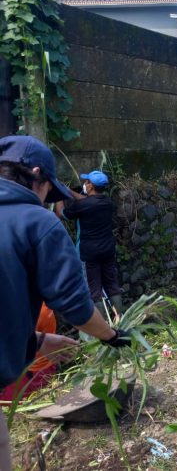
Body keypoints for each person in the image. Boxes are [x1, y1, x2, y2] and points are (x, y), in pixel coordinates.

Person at [0, 135, 130, 469]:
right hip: (105, 254)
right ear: (37, 176)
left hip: (90, 255)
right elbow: (74, 306)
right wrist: (111, 336)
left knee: (98, 288)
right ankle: (119, 317)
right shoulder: (37, 221)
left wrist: (39, 340)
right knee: (105, 290)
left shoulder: (78, 206)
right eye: (48, 191)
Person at [58, 170, 124, 316]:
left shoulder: (82, 206)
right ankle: (120, 322)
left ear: (91, 186)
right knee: (112, 286)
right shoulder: (108, 202)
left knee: (93, 291)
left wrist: (59, 194)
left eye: (87, 182)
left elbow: (60, 213)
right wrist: (68, 191)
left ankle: (101, 329)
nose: (85, 184)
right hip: (107, 250)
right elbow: (86, 201)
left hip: (89, 254)